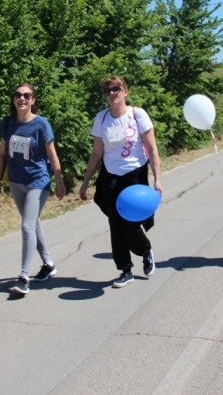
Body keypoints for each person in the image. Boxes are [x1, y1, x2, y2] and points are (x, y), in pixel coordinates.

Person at [78, 76, 162, 288]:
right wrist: (85, 182)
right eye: (108, 90)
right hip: (111, 176)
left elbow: (152, 149)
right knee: (115, 224)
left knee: (130, 223)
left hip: (135, 174)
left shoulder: (137, 114)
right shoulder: (102, 118)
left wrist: (157, 179)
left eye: (116, 89)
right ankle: (125, 270)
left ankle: (145, 251)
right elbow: (97, 153)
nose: (112, 93)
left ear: (126, 91)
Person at [0, 83, 65, 295]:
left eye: (26, 95)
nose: (22, 98)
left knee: (26, 227)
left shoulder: (41, 124)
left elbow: (52, 155)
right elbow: (2, 154)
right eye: (18, 95)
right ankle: (48, 264)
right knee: (32, 224)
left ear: (33, 99)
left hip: (38, 181)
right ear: (13, 99)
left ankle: (24, 277)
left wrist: (59, 182)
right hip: (16, 181)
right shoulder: (7, 124)